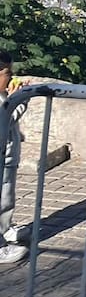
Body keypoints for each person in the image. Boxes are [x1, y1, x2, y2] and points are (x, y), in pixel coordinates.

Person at [0, 51, 29, 265]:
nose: (11, 78)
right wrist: (19, 101)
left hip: (8, 157)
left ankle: (5, 228)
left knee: (6, 196)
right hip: (4, 155)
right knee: (3, 195)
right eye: (7, 74)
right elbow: (7, 119)